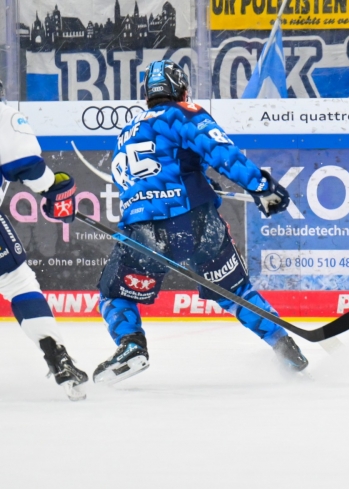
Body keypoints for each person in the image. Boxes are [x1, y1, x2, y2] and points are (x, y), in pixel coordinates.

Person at [92, 60, 308, 385]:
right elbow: (220, 150)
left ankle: (131, 344)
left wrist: (199, 182)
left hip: (144, 230)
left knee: (114, 296)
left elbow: (135, 181)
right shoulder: (183, 113)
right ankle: (284, 346)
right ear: (180, 89)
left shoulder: (127, 132)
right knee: (234, 291)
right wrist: (261, 186)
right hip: (197, 224)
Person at [0, 80, 88, 400]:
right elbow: (29, 168)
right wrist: (54, 189)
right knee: (19, 284)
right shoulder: (3, 115)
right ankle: (57, 357)